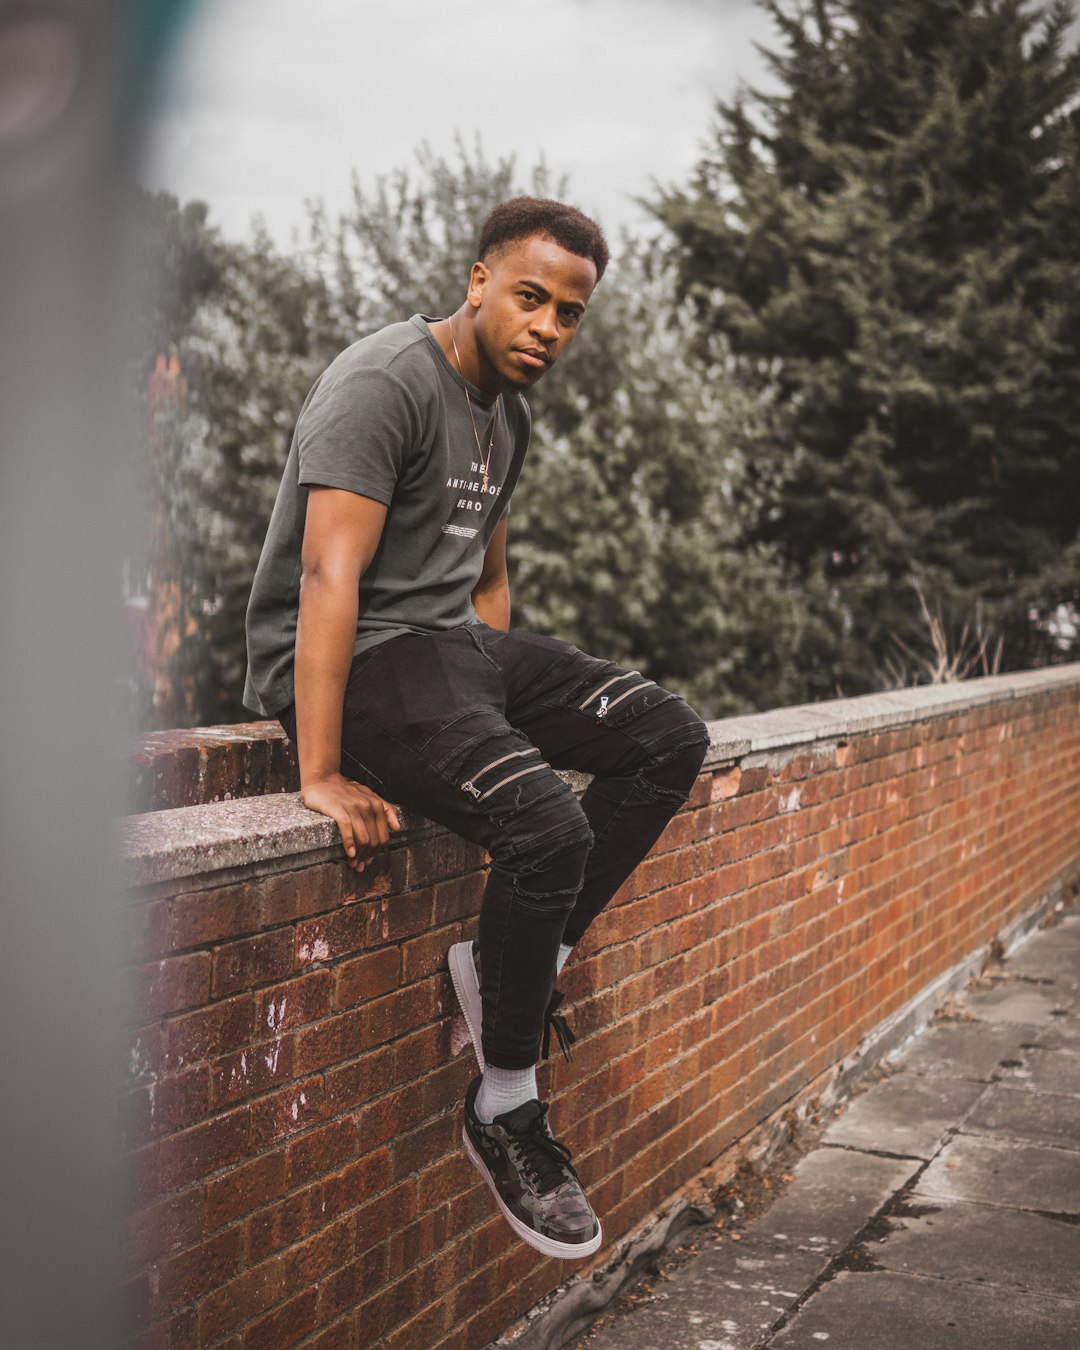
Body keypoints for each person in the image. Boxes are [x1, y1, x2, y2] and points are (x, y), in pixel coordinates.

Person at [244, 197, 710, 1261]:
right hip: (356, 663)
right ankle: (505, 1099)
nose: (548, 326)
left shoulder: (509, 414)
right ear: (477, 282)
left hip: (446, 655)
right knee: (551, 831)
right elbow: (326, 576)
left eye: (571, 313)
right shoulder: (384, 382)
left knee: (666, 736)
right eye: (532, 298)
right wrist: (317, 769)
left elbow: (486, 582)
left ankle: (516, 962)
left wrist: (484, 738)